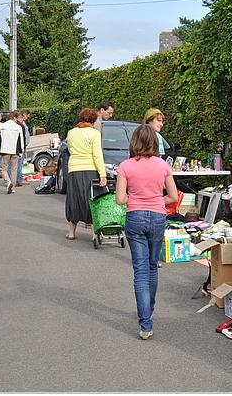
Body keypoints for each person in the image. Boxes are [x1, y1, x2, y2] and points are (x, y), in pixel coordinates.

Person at [116, 124, 179, 340]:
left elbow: (120, 199)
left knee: (140, 271)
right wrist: (156, 201)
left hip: (135, 217)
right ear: (154, 142)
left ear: (134, 142)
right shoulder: (162, 166)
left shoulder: (125, 166)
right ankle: (148, 309)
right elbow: (173, 196)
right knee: (153, 267)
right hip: (157, 217)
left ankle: (145, 323)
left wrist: (137, 200)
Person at [65, 108, 107, 240]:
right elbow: (97, 155)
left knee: (74, 198)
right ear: (93, 121)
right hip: (90, 169)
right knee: (92, 199)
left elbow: (70, 150)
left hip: (74, 169)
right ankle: (94, 234)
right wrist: (103, 174)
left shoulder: (71, 133)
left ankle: (71, 232)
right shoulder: (95, 134)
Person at [0, 111, 24, 194]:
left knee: (3, 169)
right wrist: (21, 151)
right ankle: (13, 187)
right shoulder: (18, 127)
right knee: (14, 169)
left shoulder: (2, 125)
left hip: (5, 150)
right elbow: (21, 140)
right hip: (15, 151)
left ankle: (8, 183)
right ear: (15, 118)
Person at [16, 110, 31, 186]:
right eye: (28, 115)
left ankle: (17, 179)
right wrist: (24, 145)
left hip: (22, 145)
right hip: (21, 146)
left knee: (18, 164)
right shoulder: (21, 124)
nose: (28, 117)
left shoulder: (22, 124)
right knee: (19, 164)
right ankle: (18, 180)